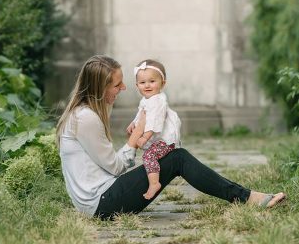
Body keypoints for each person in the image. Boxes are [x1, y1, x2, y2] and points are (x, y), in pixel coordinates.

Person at [57, 56, 285, 219]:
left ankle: (245, 196)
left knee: (176, 156)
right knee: (178, 158)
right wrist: (136, 137)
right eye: (117, 84)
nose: (124, 88)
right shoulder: (85, 118)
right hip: (102, 203)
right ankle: (247, 197)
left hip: (98, 199)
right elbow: (115, 167)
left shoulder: (84, 114)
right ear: (100, 88)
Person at [129, 58, 182, 201]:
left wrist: (144, 137)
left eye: (152, 81)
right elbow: (141, 114)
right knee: (148, 155)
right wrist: (133, 123)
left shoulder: (158, 101)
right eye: (142, 82)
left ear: (162, 83)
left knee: (148, 156)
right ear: (137, 85)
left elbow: (154, 121)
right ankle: (154, 176)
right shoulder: (146, 100)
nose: (147, 85)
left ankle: (154, 183)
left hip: (165, 140)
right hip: (157, 139)